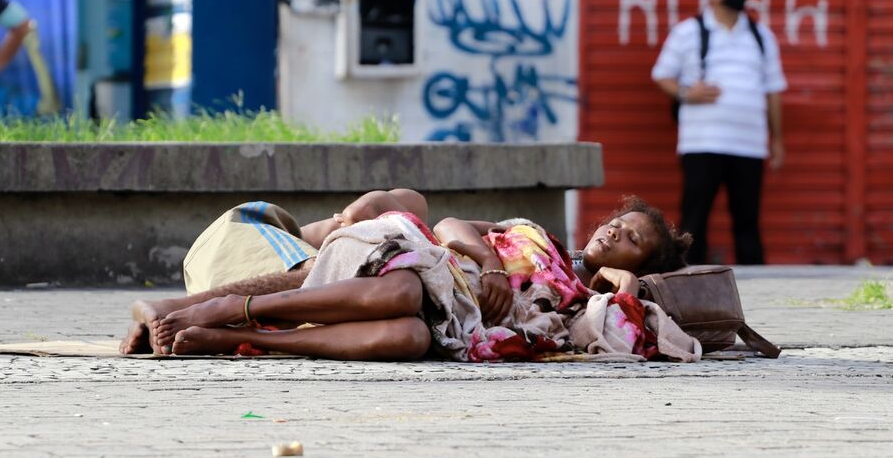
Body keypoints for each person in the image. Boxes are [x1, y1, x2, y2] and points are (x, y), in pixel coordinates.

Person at [127, 196, 692, 361]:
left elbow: (628, 323)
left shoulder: (581, 296)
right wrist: (491, 264)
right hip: (423, 267)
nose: (615, 235)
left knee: (409, 338)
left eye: (632, 240)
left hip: (445, 325)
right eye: (617, 225)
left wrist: (619, 276)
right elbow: (448, 223)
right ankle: (223, 310)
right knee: (402, 289)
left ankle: (233, 338)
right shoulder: (532, 233)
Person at [120, 188, 428, 354]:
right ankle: (170, 308)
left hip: (256, 290)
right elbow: (390, 204)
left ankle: (229, 332)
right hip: (244, 234)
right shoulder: (416, 231)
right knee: (330, 275)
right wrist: (478, 255)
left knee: (403, 331)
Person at [651, 0, 787, 265]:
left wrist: (776, 140)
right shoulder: (688, 32)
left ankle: (760, 286)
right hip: (702, 142)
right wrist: (688, 93)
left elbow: (773, 89)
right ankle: (688, 284)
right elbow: (662, 74)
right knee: (694, 220)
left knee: (748, 220)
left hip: (748, 144)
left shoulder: (761, 35)